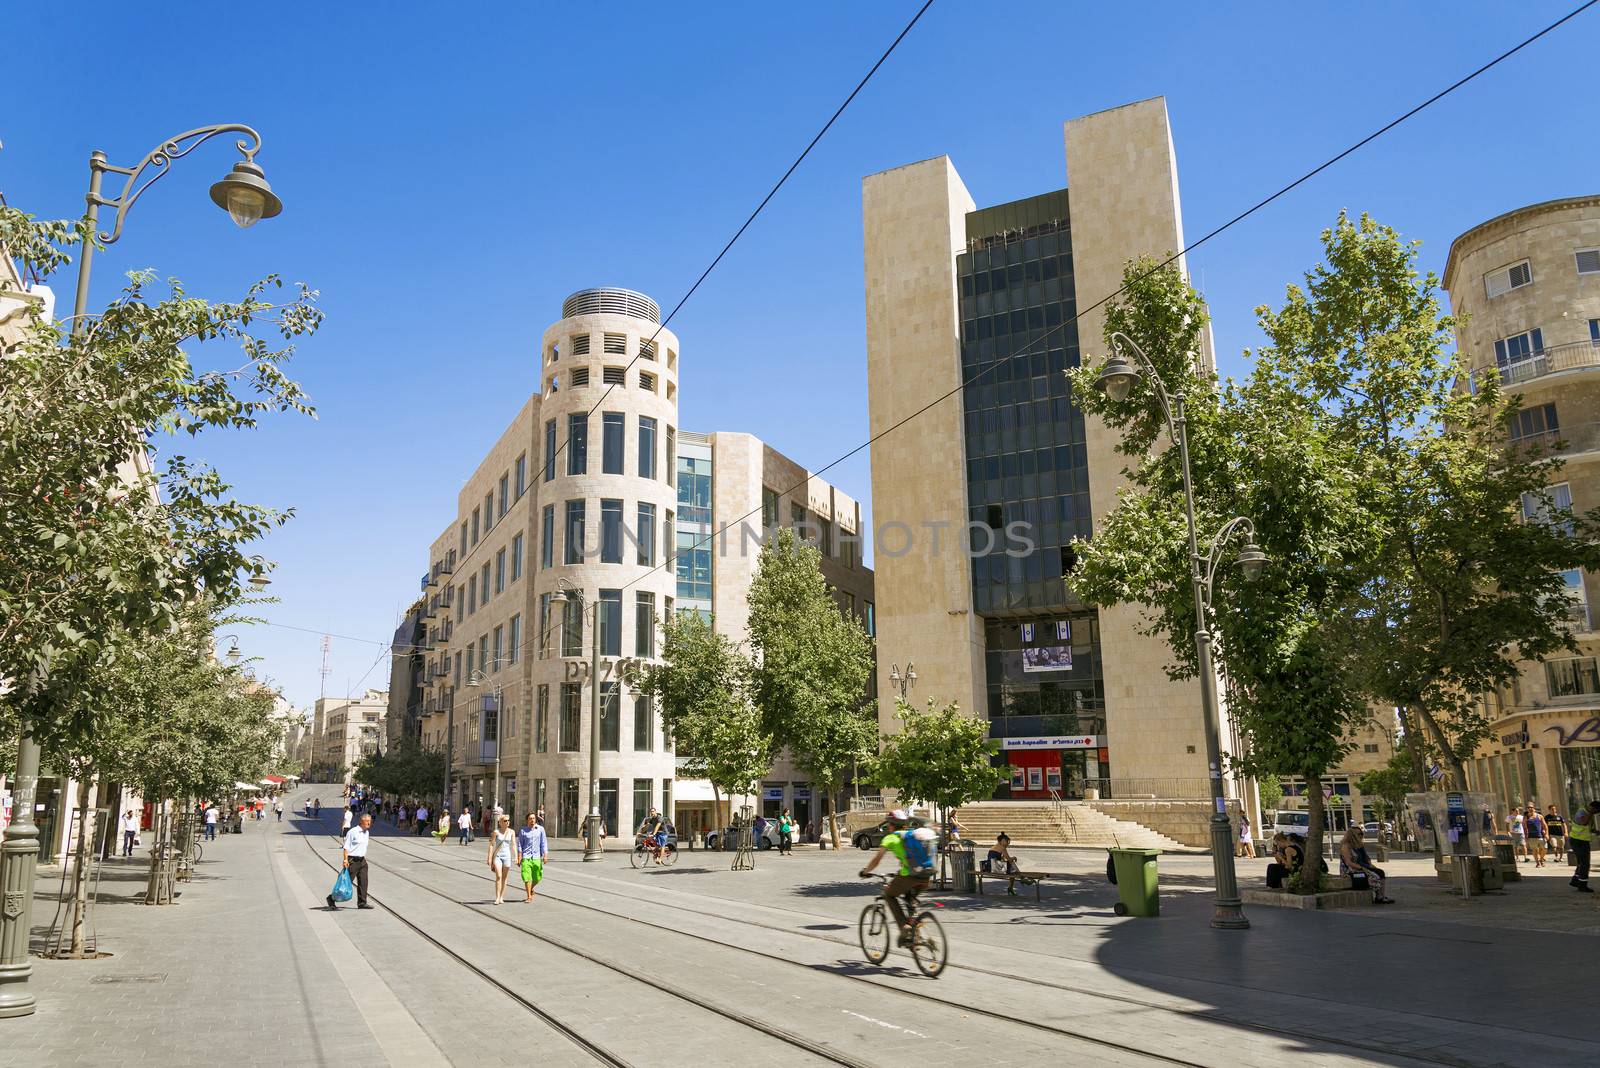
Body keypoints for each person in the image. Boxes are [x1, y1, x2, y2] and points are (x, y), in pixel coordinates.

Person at [859, 810, 932, 945]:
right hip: (926, 876)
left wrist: (865, 871)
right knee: (909, 899)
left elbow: (876, 860)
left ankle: (905, 929)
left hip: (909, 876)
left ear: (891, 825)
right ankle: (914, 930)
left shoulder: (890, 838)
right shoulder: (913, 835)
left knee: (889, 895)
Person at [329, 812, 374, 910]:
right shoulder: (352, 832)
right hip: (352, 861)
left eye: (370, 821)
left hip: (362, 861)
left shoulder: (366, 832)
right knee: (345, 883)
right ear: (362, 821)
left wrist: (363, 858)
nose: (369, 823)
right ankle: (331, 899)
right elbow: (346, 848)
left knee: (363, 882)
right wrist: (345, 860)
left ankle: (362, 903)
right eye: (367, 821)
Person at [1339, 827, 1393, 904]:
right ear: (1352, 835)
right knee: (1374, 875)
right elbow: (1348, 863)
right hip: (1351, 869)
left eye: (1361, 833)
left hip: (1362, 866)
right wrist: (1362, 868)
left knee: (1380, 872)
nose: (1361, 835)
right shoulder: (1346, 846)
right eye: (1358, 834)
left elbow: (1366, 857)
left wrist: (1370, 865)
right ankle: (1379, 896)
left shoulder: (1359, 845)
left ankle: (1381, 896)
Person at [517, 812, 548, 902]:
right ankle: (529, 896)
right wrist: (519, 857)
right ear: (527, 820)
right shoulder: (523, 830)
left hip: (537, 857)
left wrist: (545, 855)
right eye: (530, 818)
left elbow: (543, 843)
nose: (532, 820)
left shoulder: (541, 829)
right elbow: (520, 845)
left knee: (538, 877)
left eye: (534, 818)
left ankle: (531, 888)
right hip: (526, 857)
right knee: (527, 877)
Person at [1568, 800, 1598, 892]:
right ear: (1593, 808)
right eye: (1596, 811)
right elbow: (1584, 822)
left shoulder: (1588, 813)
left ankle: (1575, 880)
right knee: (1585, 864)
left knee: (1581, 862)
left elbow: (1587, 828)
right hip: (1578, 841)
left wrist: (1595, 832)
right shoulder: (1582, 812)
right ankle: (1582, 885)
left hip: (1581, 841)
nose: (1596, 813)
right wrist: (1591, 813)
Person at [487, 814, 516, 904]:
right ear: (500, 822)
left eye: (508, 821)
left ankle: (502, 897)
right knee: (499, 876)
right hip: (498, 856)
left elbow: (514, 844)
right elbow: (491, 845)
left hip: (507, 856)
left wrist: (515, 856)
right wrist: (489, 858)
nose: (507, 822)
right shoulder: (496, 832)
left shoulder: (511, 832)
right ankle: (497, 897)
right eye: (505, 821)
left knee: (504, 877)